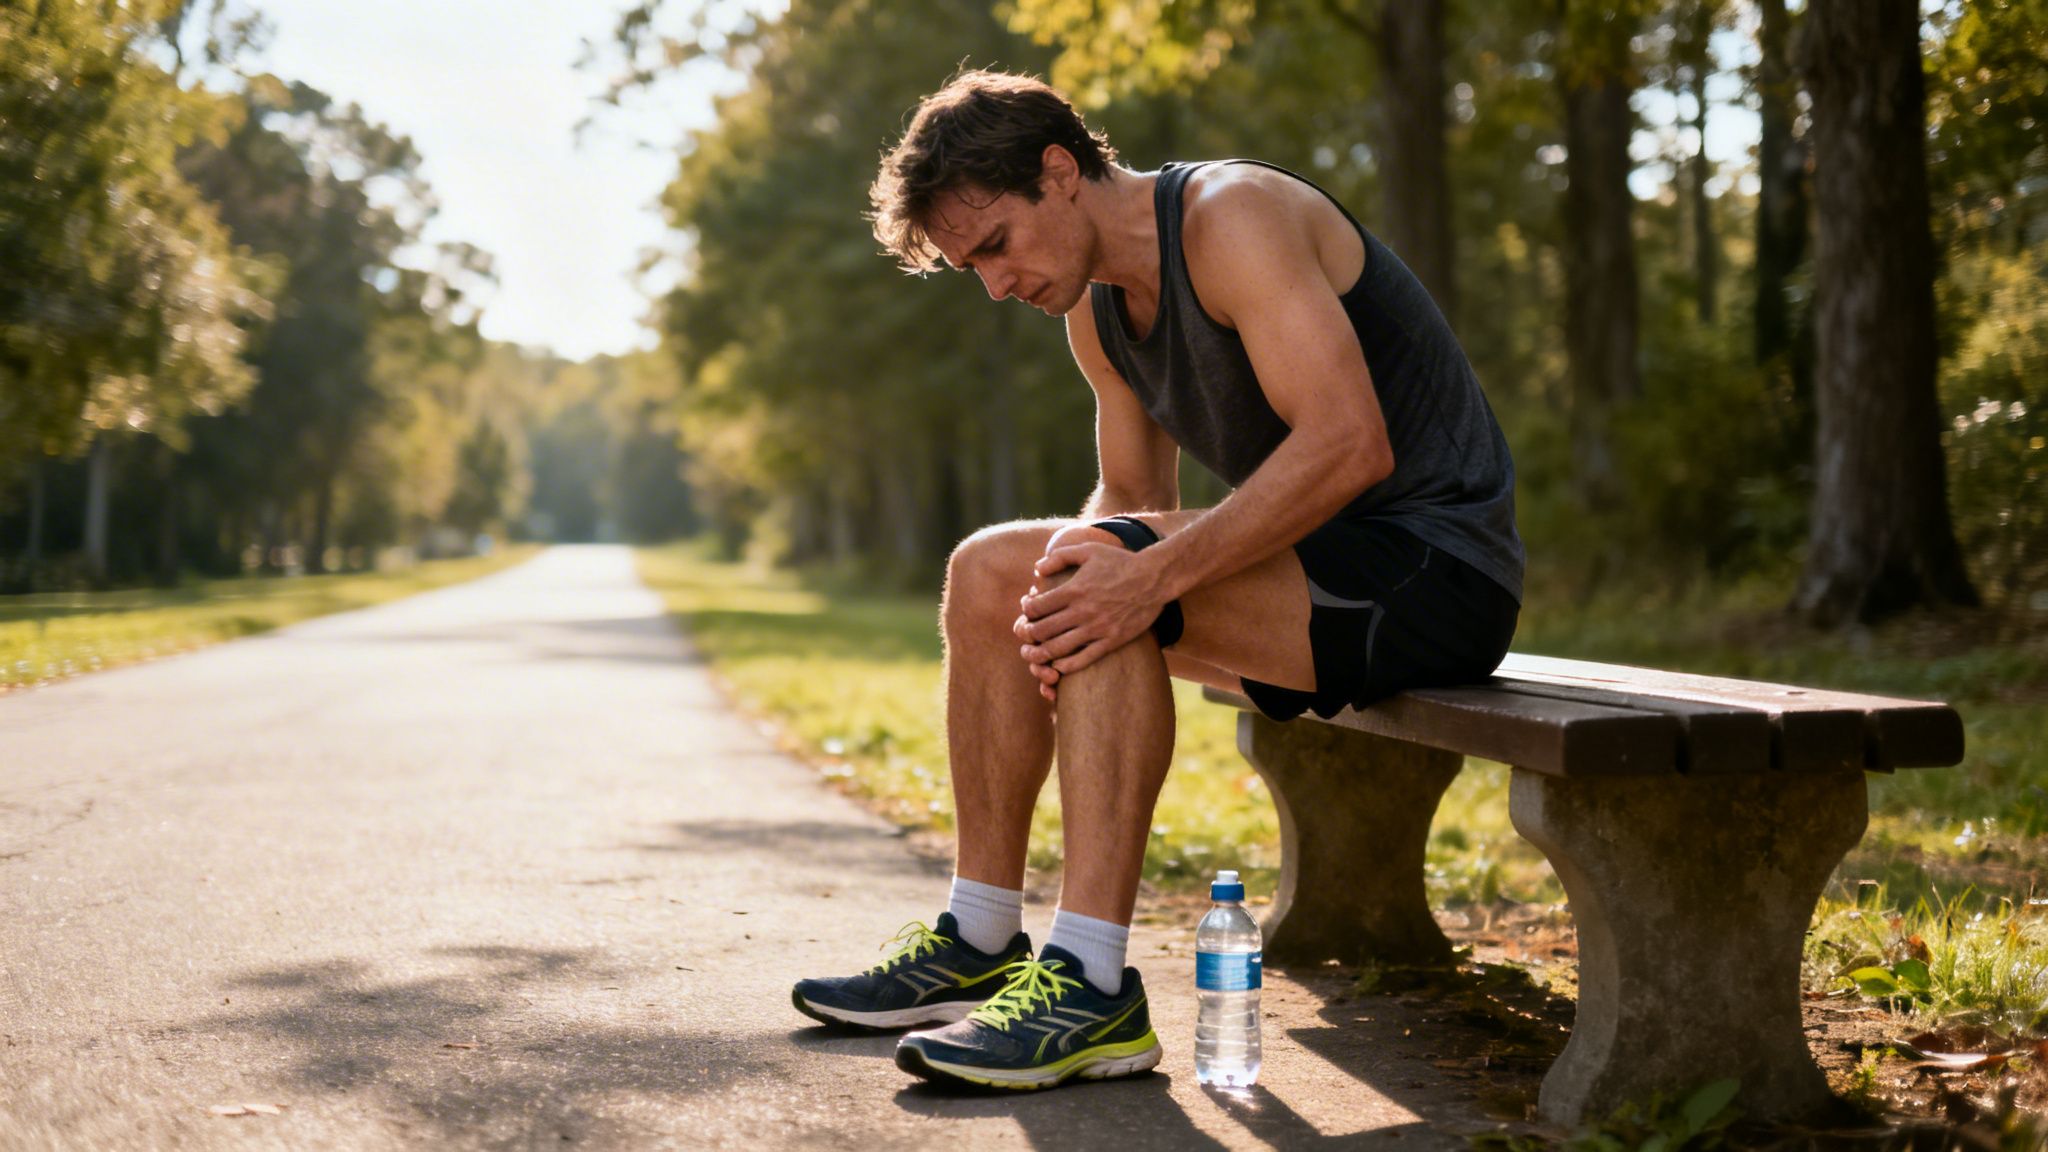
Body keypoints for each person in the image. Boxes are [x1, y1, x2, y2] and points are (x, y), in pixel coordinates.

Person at [791, 69, 1523, 1091]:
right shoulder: (1093, 312)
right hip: (1309, 572)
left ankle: (1089, 985)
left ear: (1058, 172)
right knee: (990, 572)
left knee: (1111, 570)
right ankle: (981, 933)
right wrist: (1047, 610)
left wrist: (1132, 576)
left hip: (1434, 570)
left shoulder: (1231, 219)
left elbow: (1349, 446)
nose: (995, 284)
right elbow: (1131, 489)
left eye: (994, 244)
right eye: (971, 268)